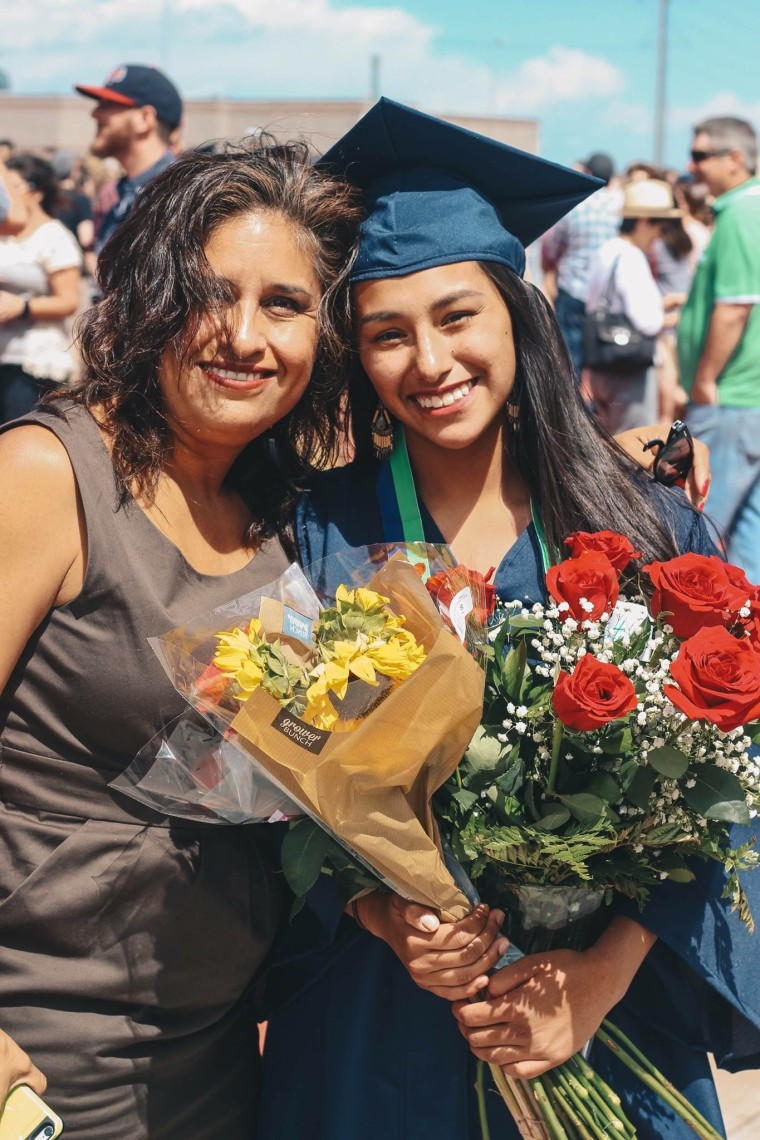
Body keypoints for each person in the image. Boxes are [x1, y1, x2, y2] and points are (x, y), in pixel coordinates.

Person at [256, 100, 757, 1140]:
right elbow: (270, 796)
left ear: (515, 315)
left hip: (609, 1019)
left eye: (456, 316)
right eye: (386, 334)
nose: (428, 362)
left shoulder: (649, 526)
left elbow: (729, 803)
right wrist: (381, 914)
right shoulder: (317, 535)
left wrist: (604, 974)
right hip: (383, 1020)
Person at [0, 142, 362, 1137]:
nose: (243, 335)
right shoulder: (47, 475)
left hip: (214, 1058)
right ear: (150, 298)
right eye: (209, 292)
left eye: (284, 304)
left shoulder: (289, 519)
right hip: (39, 1052)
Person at [679, 116, 760, 583]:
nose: (691, 166)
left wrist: (705, 378)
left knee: (702, 530)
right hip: (741, 400)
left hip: (729, 398)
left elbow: (734, 307)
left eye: (701, 155)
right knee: (746, 538)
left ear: (735, 159)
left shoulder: (741, 212)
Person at [584, 178, 683, 434]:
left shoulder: (607, 251)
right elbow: (647, 322)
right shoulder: (631, 258)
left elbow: (599, 303)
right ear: (643, 221)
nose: (661, 235)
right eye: (659, 226)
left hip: (601, 365)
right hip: (629, 374)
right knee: (633, 449)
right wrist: (679, 317)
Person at [0, 154, 82, 423]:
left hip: (31, 361)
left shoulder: (54, 237)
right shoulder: (5, 235)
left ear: (36, 193)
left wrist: (22, 307)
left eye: (12, 187)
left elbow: (69, 301)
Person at [75, 64, 183, 253]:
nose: (95, 113)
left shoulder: (180, 199)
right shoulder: (123, 195)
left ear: (144, 118)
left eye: (107, 105)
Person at [540, 152, 622, 375]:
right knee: (603, 363)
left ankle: (574, 406)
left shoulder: (576, 204)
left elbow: (551, 248)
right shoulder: (620, 204)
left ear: (588, 173)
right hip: (608, 294)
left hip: (574, 290)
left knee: (571, 362)